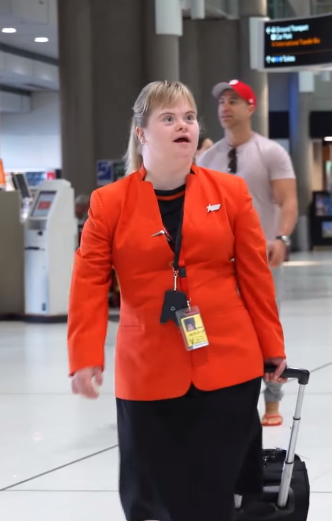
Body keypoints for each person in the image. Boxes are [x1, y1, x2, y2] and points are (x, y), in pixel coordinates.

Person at [67, 80, 287, 521]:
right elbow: (88, 281)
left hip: (227, 363)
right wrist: (85, 355)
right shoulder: (109, 202)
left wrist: (272, 348)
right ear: (142, 132)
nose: (183, 125)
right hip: (147, 368)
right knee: (147, 498)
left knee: (210, 497)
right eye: (168, 118)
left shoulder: (230, 193)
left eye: (189, 117)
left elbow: (255, 277)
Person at [196, 79, 298, 427]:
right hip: (218, 262)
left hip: (261, 257)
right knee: (221, 328)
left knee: (266, 326)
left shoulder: (270, 152)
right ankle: (223, 394)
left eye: (234, 101)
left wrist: (282, 238)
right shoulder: (207, 158)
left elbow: (288, 201)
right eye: (222, 100)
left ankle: (271, 402)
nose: (225, 106)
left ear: (251, 108)